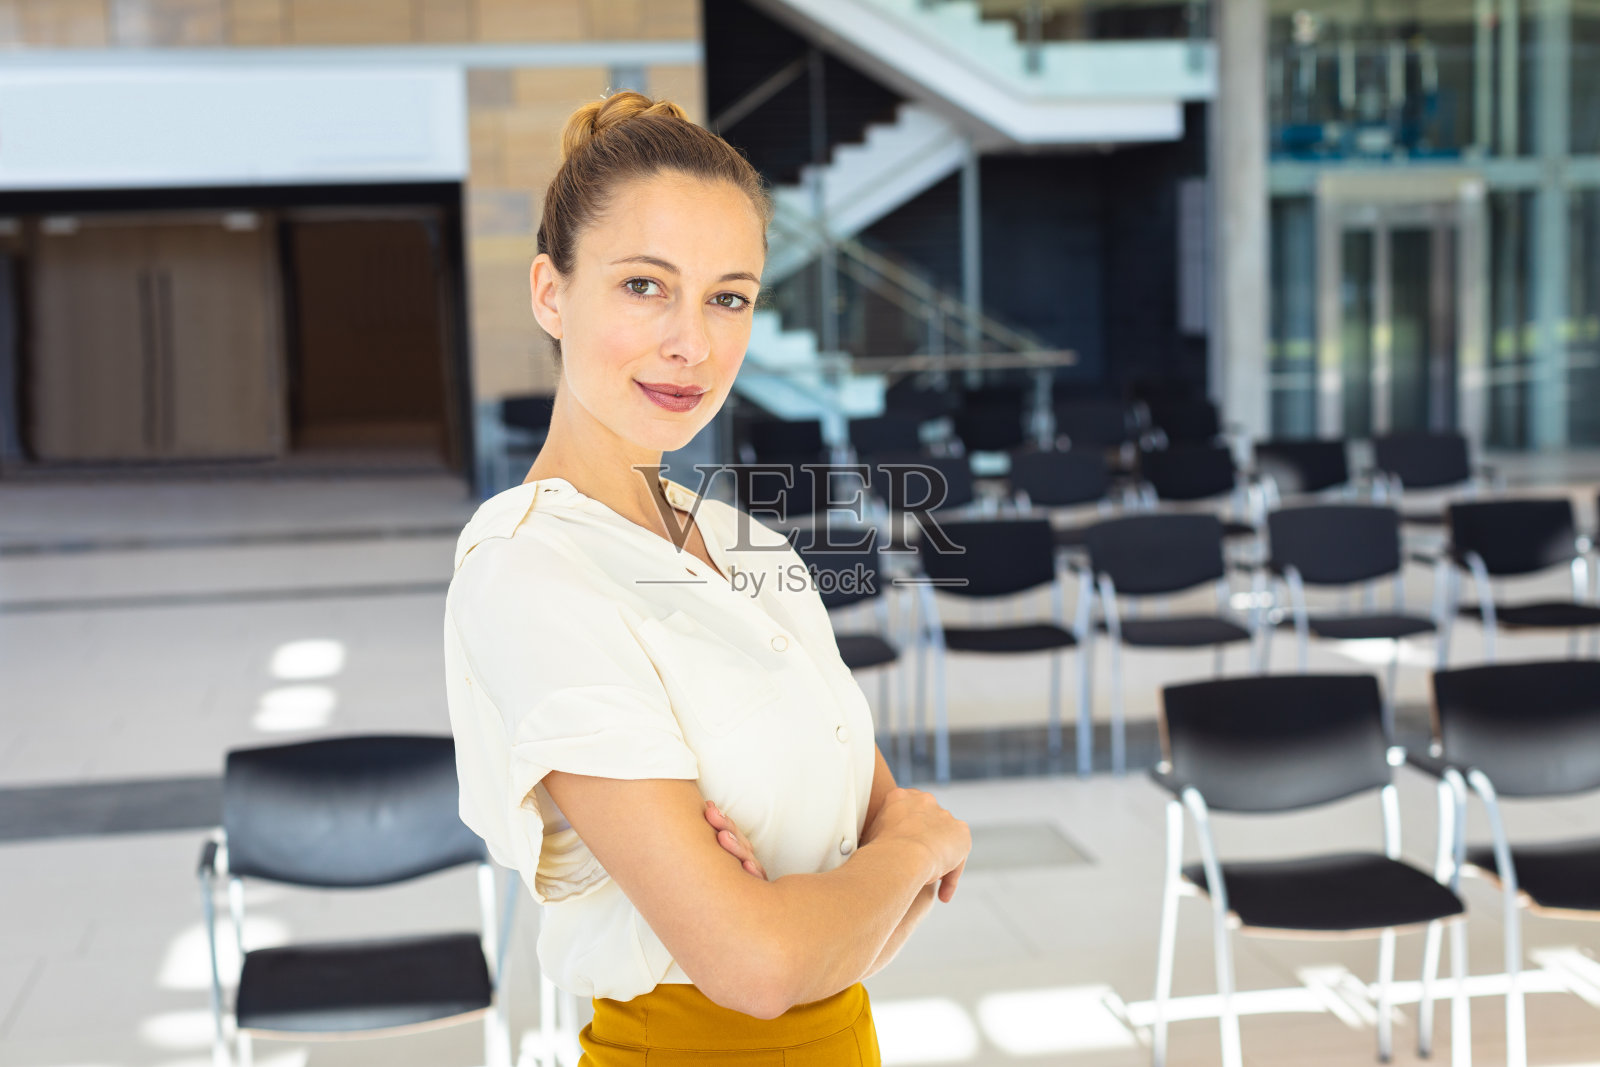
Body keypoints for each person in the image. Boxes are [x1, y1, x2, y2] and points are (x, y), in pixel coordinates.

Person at [442, 90, 971, 1066]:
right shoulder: (528, 569)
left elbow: (862, 927)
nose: (694, 341)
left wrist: (835, 892)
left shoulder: (746, 543)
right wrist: (912, 845)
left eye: (728, 295)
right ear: (551, 293)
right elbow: (759, 964)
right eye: (645, 285)